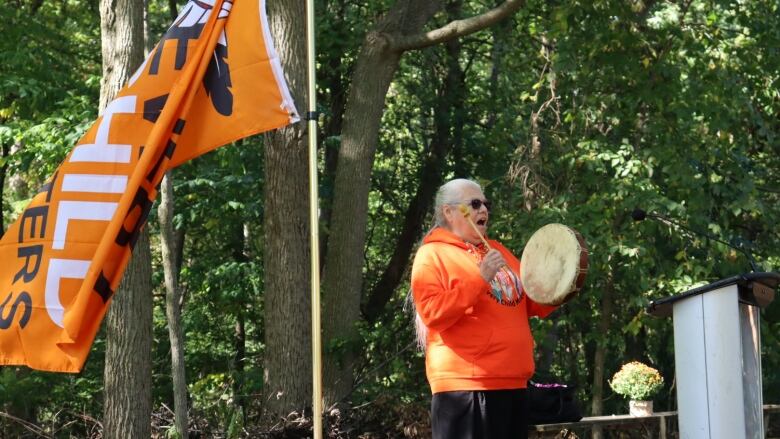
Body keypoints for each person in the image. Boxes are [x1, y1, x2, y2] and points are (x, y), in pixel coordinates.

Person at [410, 178, 557, 439]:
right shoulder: (432, 254)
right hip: (465, 388)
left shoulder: (498, 250)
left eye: (486, 204)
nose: (484, 210)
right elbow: (432, 313)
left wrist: (562, 286)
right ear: (449, 212)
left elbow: (531, 303)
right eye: (475, 204)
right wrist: (480, 278)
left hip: (514, 383)